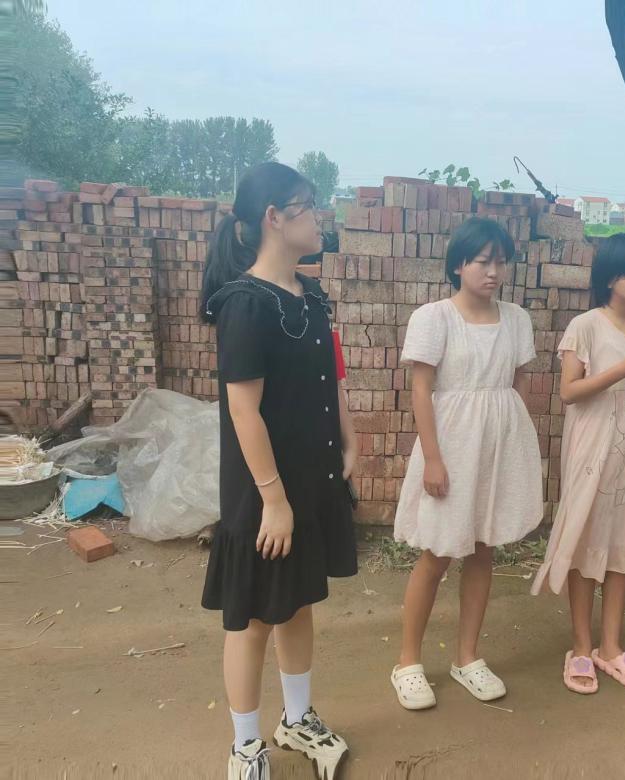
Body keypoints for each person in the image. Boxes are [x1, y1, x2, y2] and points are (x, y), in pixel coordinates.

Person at [201, 162, 357, 778]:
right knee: (254, 619)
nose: (319, 218)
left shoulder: (310, 294)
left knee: (297, 602)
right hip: (263, 491)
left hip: (310, 476)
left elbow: (330, 372)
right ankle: (245, 747)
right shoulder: (244, 305)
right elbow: (243, 410)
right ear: (274, 217)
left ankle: (297, 719)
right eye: (308, 206)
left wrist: (349, 436)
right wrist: (274, 500)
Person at [390, 217, 544, 710]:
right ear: (458, 265)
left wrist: (514, 440)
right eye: (482, 262)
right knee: (437, 553)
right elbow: (421, 390)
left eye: (501, 262)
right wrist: (433, 458)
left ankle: (467, 657)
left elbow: (520, 382)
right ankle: (408, 663)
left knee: (482, 549)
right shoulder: (434, 317)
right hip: (451, 446)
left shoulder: (516, 319)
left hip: (497, 448)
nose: (493, 271)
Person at [532, 231, 625, 694]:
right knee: (587, 544)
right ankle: (581, 647)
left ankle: (611, 646)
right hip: (593, 453)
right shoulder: (586, 327)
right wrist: (619, 371)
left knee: (624, 545)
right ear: (610, 277)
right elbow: (569, 392)